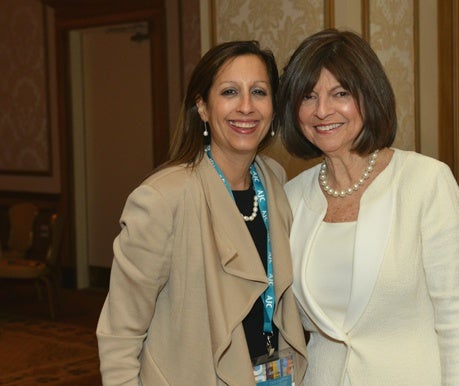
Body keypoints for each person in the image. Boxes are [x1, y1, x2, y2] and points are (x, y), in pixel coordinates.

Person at [278, 29, 459, 385]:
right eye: (308, 96)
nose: (322, 110)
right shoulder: (291, 197)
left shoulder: (426, 181)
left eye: (340, 93)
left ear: (369, 96)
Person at [97, 40, 307, 385]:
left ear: (273, 107)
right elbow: (120, 332)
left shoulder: (274, 179)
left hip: (273, 375)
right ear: (203, 107)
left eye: (258, 91)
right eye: (229, 92)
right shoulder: (163, 198)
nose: (246, 107)